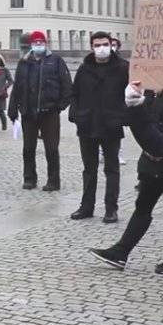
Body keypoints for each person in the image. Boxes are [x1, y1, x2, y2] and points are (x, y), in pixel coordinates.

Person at [88, 82, 163, 275]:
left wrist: (138, 110)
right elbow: (142, 128)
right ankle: (120, 252)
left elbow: (160, 143)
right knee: (142, 208)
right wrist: (136, 102)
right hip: (154, 167)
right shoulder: (157, 94)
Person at [69, 32, 129, 223]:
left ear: (111, 45)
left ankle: (111, 209)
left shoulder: (122, 68)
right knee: (89, 169)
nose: (101, 48)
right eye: (97, 45)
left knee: (111, 170)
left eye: (105, 44)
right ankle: (86, 207)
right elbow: (75, 93)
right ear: (92, 47)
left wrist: (121, 116)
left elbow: (130, 94)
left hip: (111, 125)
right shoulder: (84, 68)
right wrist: (78, 116)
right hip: (87, 125)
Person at [8, 31, 73, 191]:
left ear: (46, 43)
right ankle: (29, 178)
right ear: (31, 45)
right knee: (28, 148)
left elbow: (67, 85)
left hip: (49, 112)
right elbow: (17, 87)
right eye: (35, 43)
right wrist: (13, 109)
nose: (38, 45)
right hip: (28, 112)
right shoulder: (24, 62)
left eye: (41, 42)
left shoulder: (55, 61)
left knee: (51, 149)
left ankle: (53, 180)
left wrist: (59, 106)